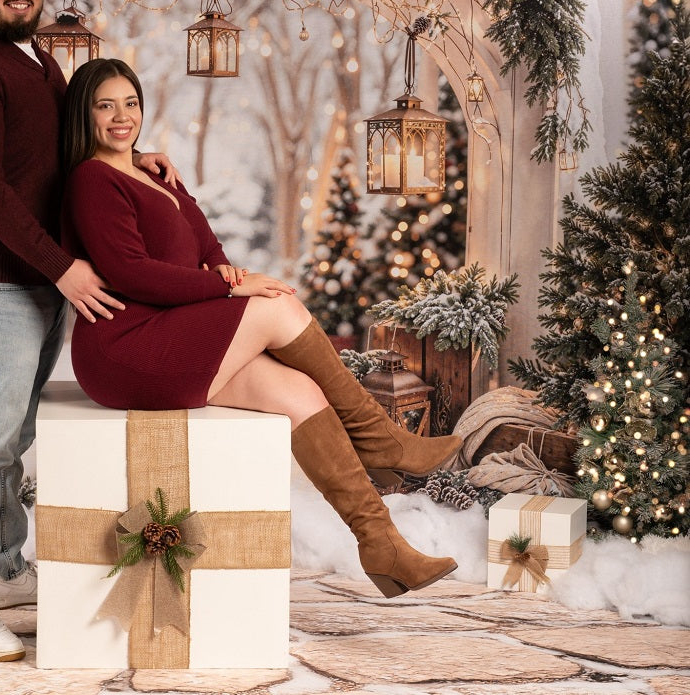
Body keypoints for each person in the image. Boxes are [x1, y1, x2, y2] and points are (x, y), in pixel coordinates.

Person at [61, 58, 464, 599]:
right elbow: (131, 272)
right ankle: (381, 439)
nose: (121, 117)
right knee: (276, 306)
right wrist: (228, 288)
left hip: (171, 332)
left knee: (300, 393)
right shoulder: (91, 179)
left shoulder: (152, 170)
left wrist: (224, 272)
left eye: (130, 103)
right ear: (84, 113)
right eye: (105, 106)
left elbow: (206, 244)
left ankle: (382, 544)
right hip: (124, 346)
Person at [0, 0, 177, 662]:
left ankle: (7, 571)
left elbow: (69, 146)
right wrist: (64, 266)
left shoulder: (39, 61)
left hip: (38, 280)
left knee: (11, 436)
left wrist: (136, 155)